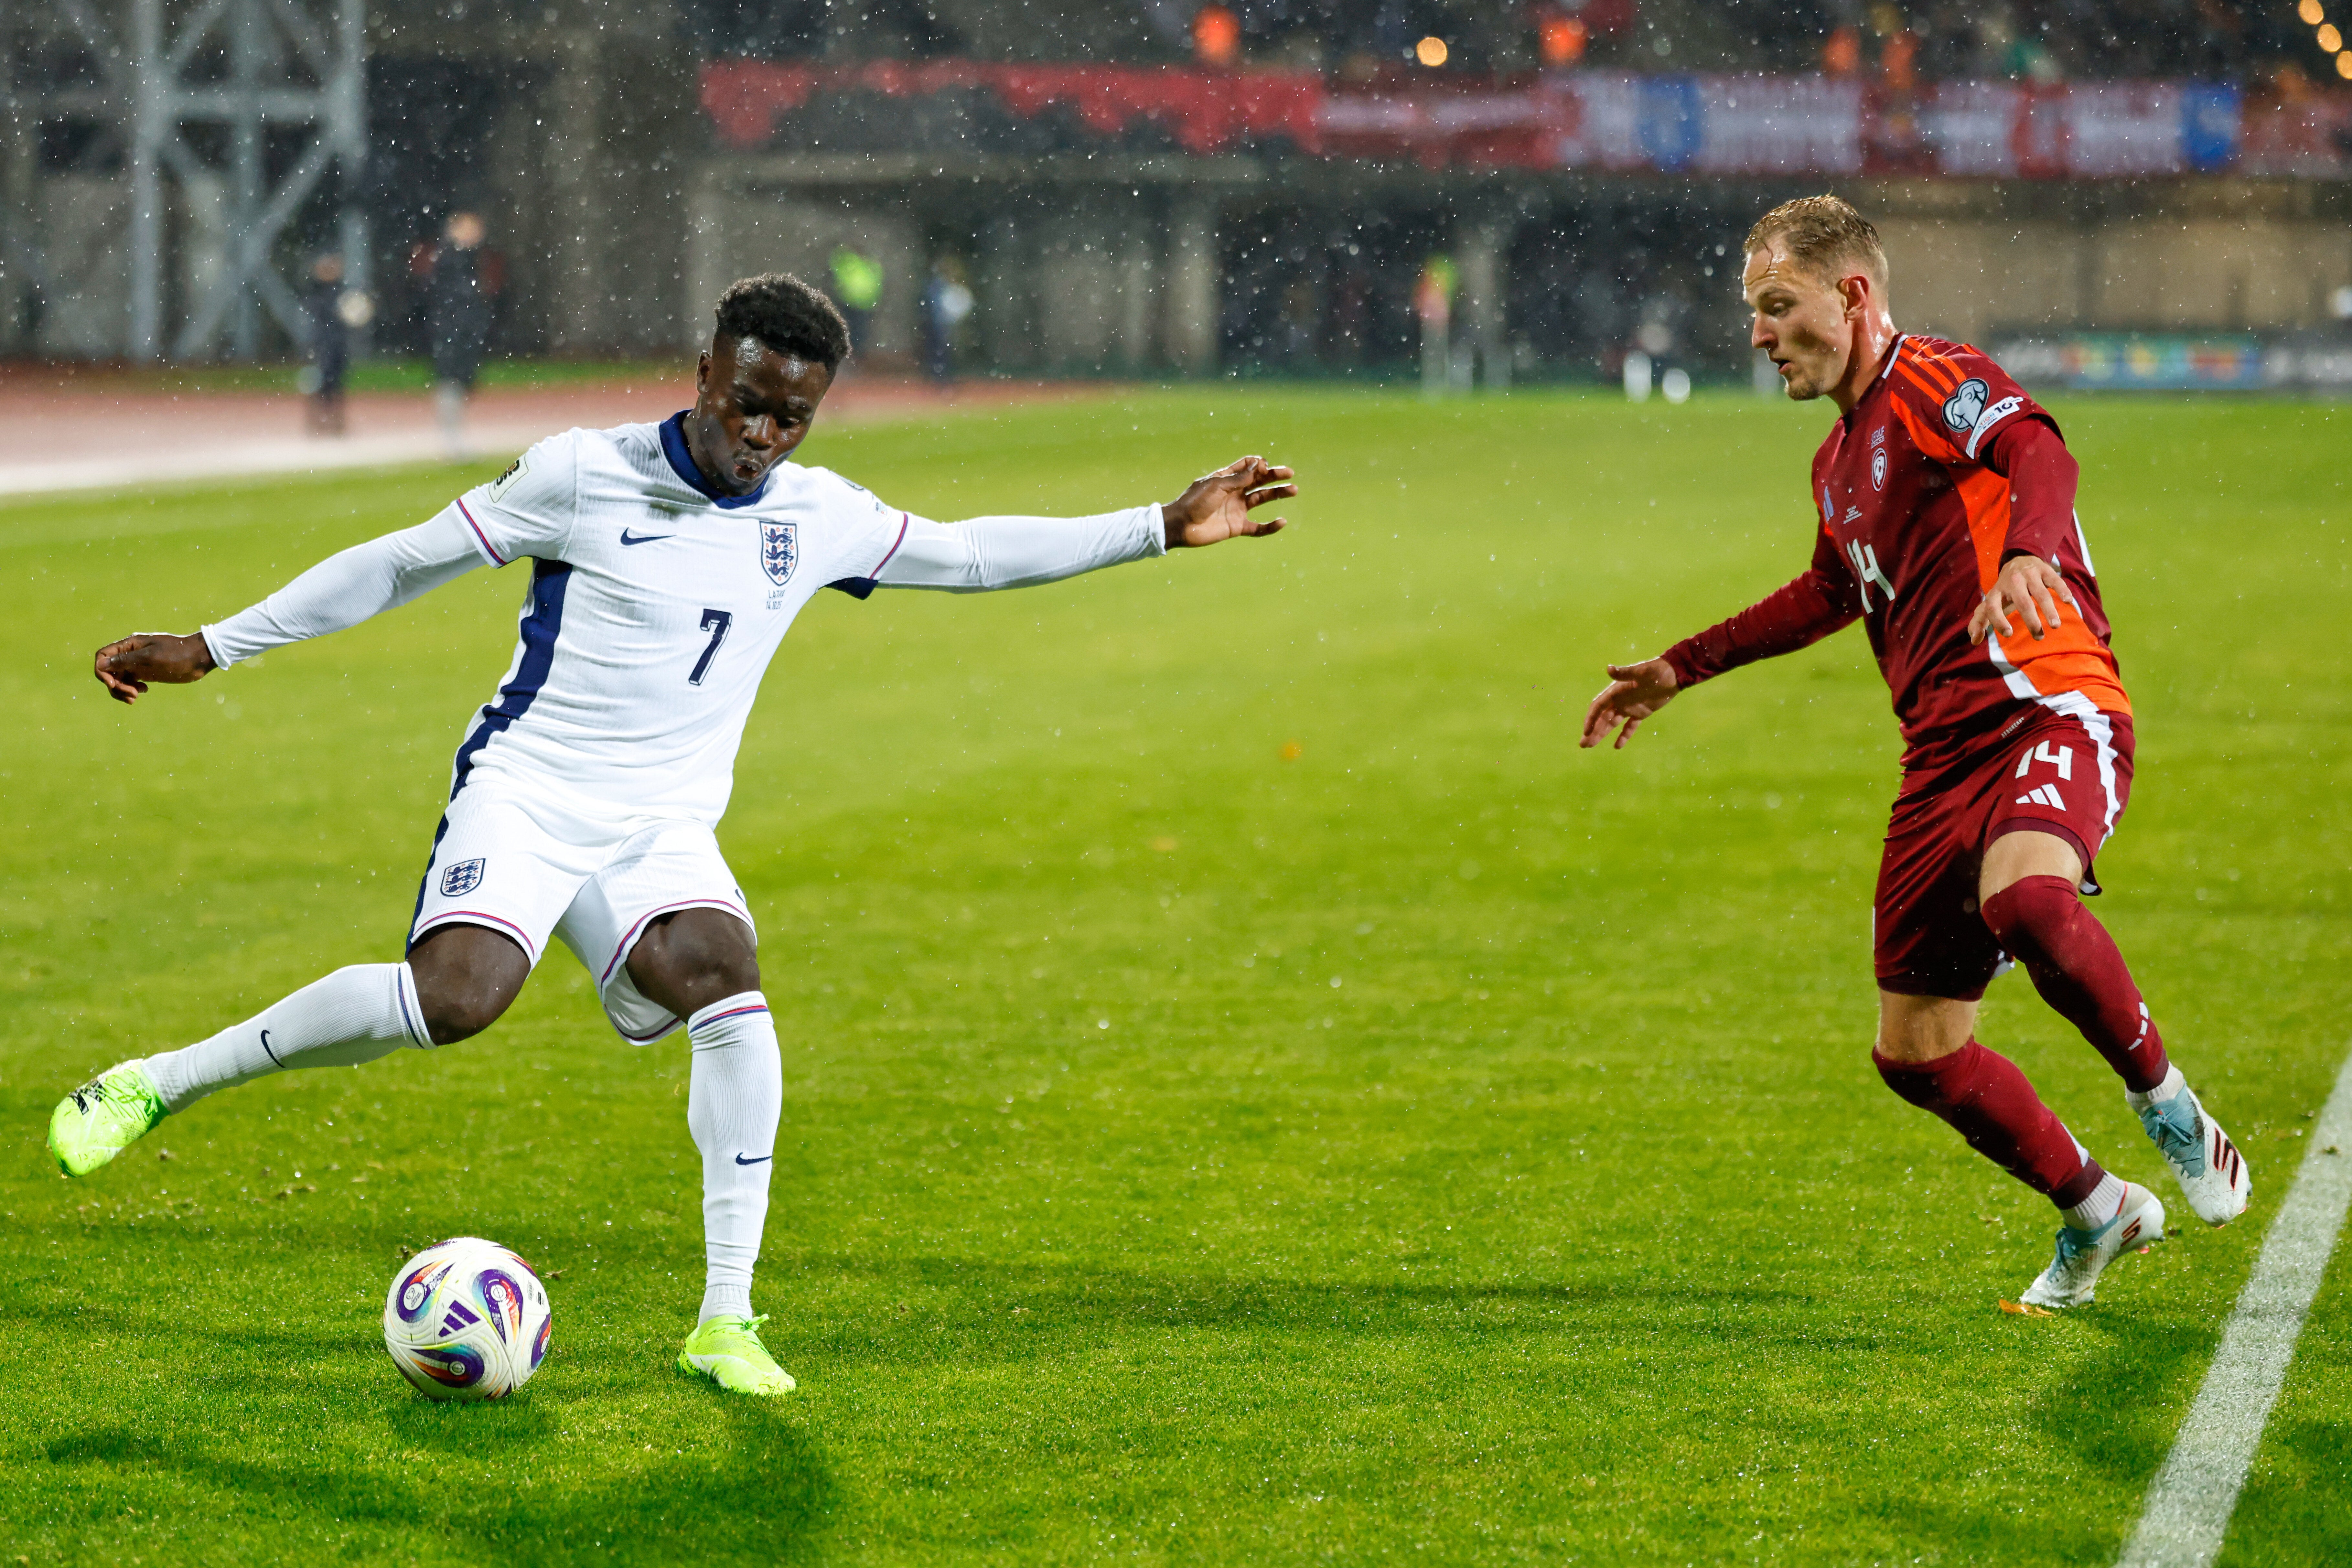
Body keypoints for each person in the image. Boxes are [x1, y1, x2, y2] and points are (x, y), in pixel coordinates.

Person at [54, 273, 1296, 1396]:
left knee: (724, 979)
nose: (762, 437)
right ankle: (157, 1080)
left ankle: (722, 1315)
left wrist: (1158, 525)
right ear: (705, 374)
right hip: (529, 786)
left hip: (659, 822)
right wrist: (213, 643)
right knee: (459, 998)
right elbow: (402, 562)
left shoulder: (813, 514)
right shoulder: (581, 473)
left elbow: (970, 555)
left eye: (790, 418)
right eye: (747, 403)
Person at [1581, 196, 2250, 1311]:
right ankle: (2098, 1209)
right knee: (1917, 1052)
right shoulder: (1836, 462)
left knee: (2027, 907)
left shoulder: (1933, 377)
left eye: (1775, 307)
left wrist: (2030, 552)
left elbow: (2033, 446)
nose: (1757, 335)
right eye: (1752, 312)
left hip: (2044, 703)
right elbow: (1829, 591)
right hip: (1938, 760)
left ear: (1849, 298)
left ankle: (2169, 1108)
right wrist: (1679, 666)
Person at [423, 210, 497, 459]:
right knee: (451, 380)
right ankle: (451, 440)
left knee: (461, 381)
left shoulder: (469, 259)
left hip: (462, 330)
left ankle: (454, 439)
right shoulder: (450, 258)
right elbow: (449, 296)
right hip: (452, 330)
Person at [303, 252, 352, 436]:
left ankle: (336, 422)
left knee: (337, 384)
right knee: (321, 383)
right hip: (323, 343)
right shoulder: (318, 293)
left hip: (337, 343)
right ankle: (317, 423)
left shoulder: (341, 291)